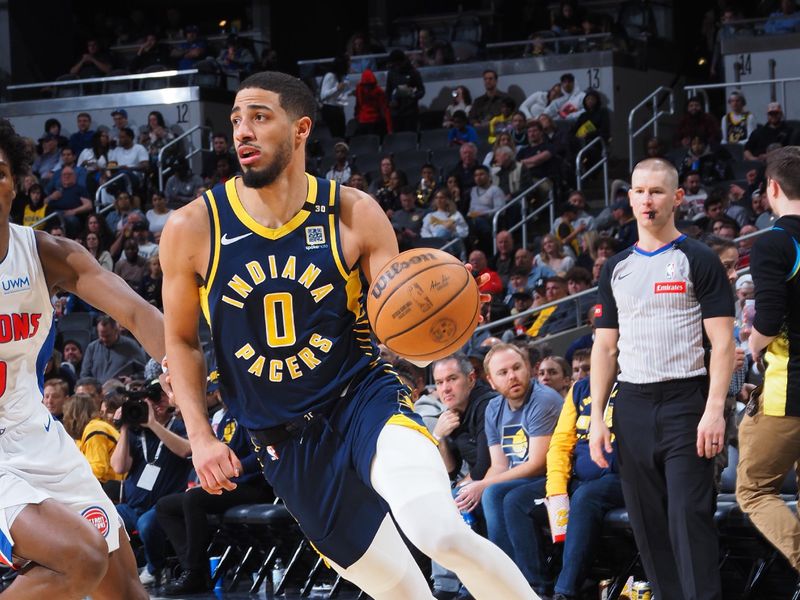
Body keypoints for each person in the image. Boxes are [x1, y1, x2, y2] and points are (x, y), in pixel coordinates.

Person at [159, 71, 536, 599]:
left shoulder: (354, 212)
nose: (241, 131)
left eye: (260, 117)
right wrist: (199, 436)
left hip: (362, 400)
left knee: (438, 530)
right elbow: (179, 340)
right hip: (283, 443)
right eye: (237, 119)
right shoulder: (192, 227)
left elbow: (401, 319)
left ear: (300, 129)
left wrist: (446, 327)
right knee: (402, 593)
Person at [0, 117, 162, 598]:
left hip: (36, 435)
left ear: (17, 184)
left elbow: (135, 310)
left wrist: (177, 369)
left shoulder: (45, 253)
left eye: (0, 171)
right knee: (81, 559)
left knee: (125, 588)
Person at [589, 157, 735, 600]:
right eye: (639, 191)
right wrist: (597, 417)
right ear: (629, 197)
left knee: (688, 519)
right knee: (648, 525)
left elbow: (726, 345)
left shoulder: (699, 258)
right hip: (631, 404)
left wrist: (713, 411)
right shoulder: (614, 267)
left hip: (687, 403)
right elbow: (604, 347)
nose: (646, 200)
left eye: (656, 191)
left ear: (676, 197)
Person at [736, 146, 800, 577]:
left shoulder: (775, 241)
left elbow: (771, 317)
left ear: (772, 188)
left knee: (754, 489)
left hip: (788, 393)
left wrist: (750, 347)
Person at [454, 344, 562, 597]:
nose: (512, 376)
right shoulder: (494, 408)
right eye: (502, 372)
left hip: (551, 478)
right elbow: (499, 465)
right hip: (516, 480)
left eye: (516, 368)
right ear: (491, 381)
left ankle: (524, 585)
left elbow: (537, 463)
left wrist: (484, 486)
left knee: (498, 496)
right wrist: (473, 489)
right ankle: (484, 581)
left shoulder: (543, 399)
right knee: (464, 499)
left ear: (529, 369)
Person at [543, 377, 623, 600]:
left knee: (585, 497)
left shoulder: (635, 382)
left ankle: (565, 592)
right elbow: (560, 444)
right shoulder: (580, 388)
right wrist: (557, 490)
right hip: (579, 479)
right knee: (513, 499)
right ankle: (534, 589)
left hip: (622, 478)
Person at [110, 385, 193, 586]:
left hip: (163, 505)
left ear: (166, 403)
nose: (153, 407)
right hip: (133, 506)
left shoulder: (179, 426)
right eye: (147, 403)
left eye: (156, 401)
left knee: (146, 525)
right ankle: (116, 570)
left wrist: (154, 424)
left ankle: (156, 567)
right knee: (106, 517)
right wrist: (125, 427)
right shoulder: (136, 432)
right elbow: (119, 466)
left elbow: (185, 450)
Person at [80, 315, 148, 382]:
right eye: (101, 336)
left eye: (107, 336)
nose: (104, 339)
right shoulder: (92, 347)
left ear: (116, 331)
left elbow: (144, 372)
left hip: (122, 389)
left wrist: (132, 378)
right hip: (96, 390)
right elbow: (85, 374)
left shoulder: (131, 346)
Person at [385, 50, 425, 132]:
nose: (396, 66)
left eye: (397, 64)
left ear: (402, 61)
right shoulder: (391, 73)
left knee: (410, 137)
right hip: (395, 113)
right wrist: (389, 102)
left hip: (410, 113)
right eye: (394, 64)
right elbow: (388, 91)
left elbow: (421, 90)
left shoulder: (414, 72)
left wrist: (413, 95)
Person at [319, 55, 351, 139]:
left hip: (338, 109)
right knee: (336, 136)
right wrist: (336, 88)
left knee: (341, 135)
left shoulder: (339, 76)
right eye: (348, 63)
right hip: (331, 110)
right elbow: (323, 95)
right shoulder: (330, 76)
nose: (350, 65)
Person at [354, 69, 393, 137]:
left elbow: (358, 105)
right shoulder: (379, 91)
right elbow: (385, 109)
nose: (367, 87)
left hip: (364, 121)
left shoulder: (359, 88)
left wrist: (357, 117)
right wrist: (389, 129)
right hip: (373, 122)